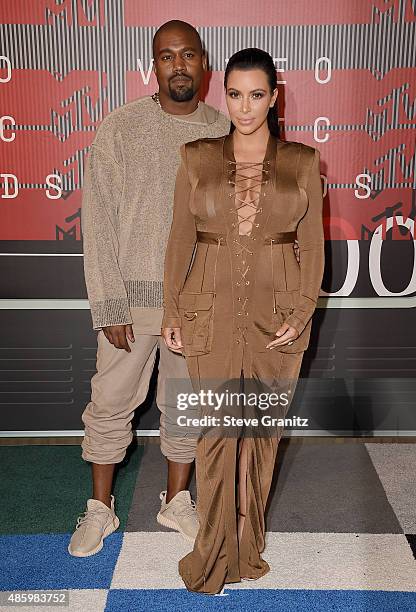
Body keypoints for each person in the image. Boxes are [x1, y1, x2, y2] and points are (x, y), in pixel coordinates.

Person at [162, 48, 325, 593]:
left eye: (257, 94)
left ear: (275, 97)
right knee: (214, 433)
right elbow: (180, 239)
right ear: (222, 95)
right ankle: (211, 554)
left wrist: (302, 312)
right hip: (208, 308)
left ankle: (246, 546)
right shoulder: (196, 155)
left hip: (277, 316)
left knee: (259, 434)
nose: (245, 106)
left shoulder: (303, 161)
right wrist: (171, 308)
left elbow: (313, 246)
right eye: (235, 94)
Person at [68, 20, 231, 557]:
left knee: (185, 406)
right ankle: (100, 508)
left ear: (204, 64)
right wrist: (108, 304)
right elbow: (98, 221)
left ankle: (176, 501)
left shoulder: (226, 132)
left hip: (197, 304)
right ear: (152, 66)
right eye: (167, 56)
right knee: (110, 402)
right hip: (131, 306)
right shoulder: (119, 127)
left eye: (188, 55)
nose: (178, 65)